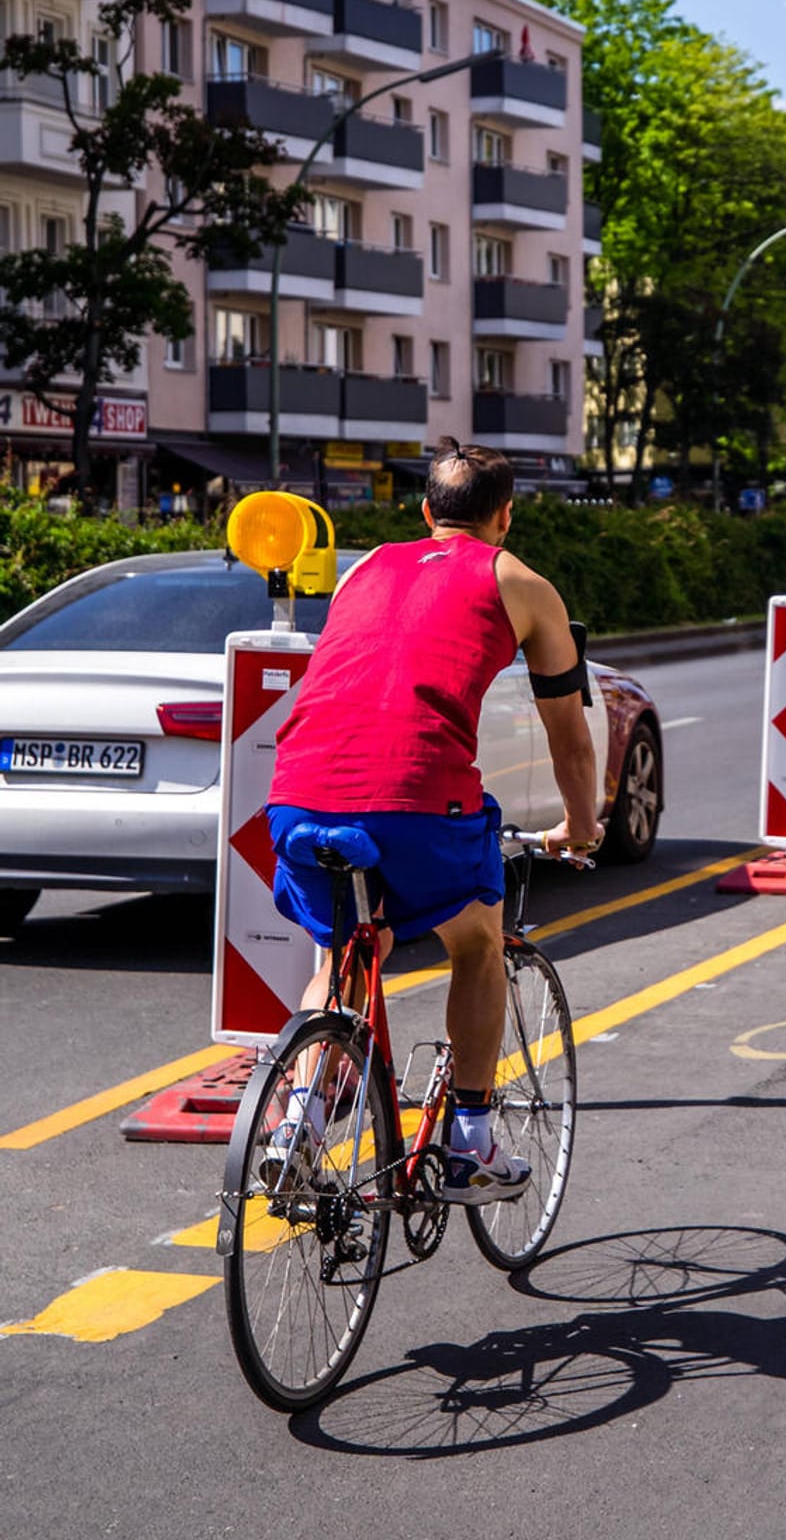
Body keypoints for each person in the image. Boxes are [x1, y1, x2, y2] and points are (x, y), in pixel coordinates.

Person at [263, 439, 599, 1204]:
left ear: (425, 512)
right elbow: (570, 736)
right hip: (419, 799)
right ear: (505, 517)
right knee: (478, 945)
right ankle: (471, 1144)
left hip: (299, 793)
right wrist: (582, 825)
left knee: (341, 955)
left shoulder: (367, 564)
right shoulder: (521, 582)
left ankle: (299, 1127)